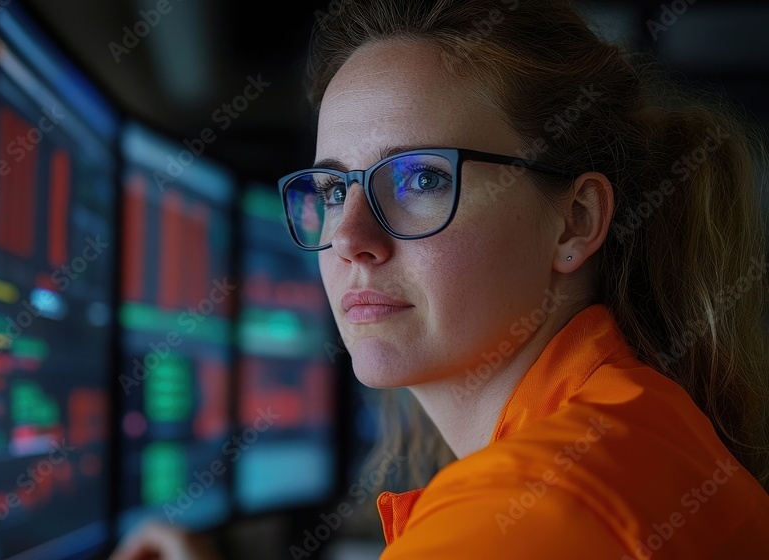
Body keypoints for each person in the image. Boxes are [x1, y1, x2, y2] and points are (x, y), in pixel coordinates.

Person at [112, 0, 769, 557]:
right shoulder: (625, 426)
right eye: (333, 187)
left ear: (574, 222)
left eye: (421, 178)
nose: (349, 239)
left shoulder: (523, 508)